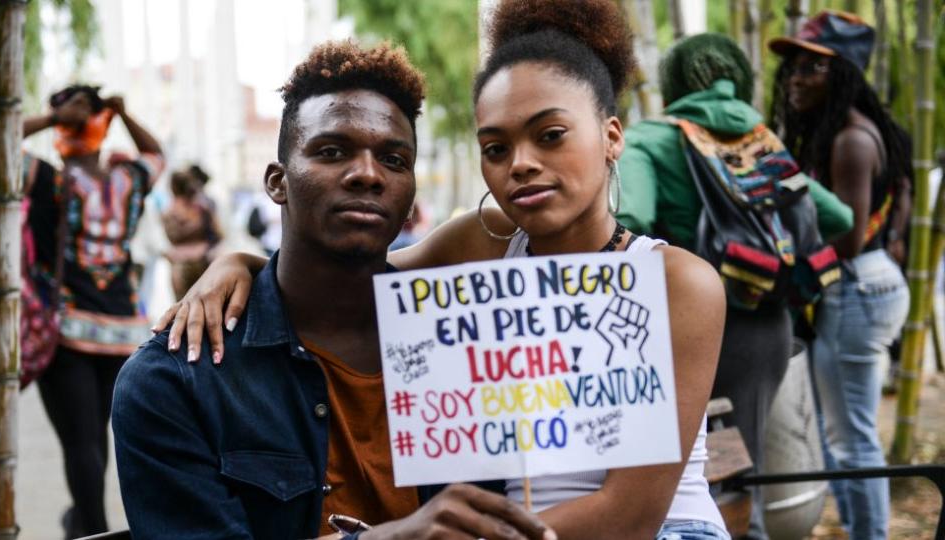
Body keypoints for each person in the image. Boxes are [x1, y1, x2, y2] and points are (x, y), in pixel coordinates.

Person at [156, 1, 729, 538]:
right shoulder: (482, 244)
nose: (522, 164)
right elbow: (352, 275)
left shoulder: (677, 282)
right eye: (496, 148)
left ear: (610, 137)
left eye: (550, 136)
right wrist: (236, 265)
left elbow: (627, 516)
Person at [112, 39, 556, 540]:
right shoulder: (173, 382)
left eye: (393, 159)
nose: (367, 174)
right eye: (332, 151)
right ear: (277, 183)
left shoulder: (471, 344)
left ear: (410, 198)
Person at [615, 33, 853, 539]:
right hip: (763, 331)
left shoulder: (651, 139)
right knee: (743, 472)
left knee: (682, 479)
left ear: (675, 80)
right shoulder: (761, 142)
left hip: (680, 331)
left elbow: (629, 218)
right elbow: (838, 215)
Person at [769, 11, 911, 540]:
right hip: (859, 287)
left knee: (853, 440)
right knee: (842, 436)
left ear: (847, 73)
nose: (799, 77)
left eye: (814, 67)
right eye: (795, 67)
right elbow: (898, 203)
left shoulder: (850, 140)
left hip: (855, 288)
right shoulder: (845, 133)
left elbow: (848, 238)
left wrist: (778, 262)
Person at [22, 85, 164, 538]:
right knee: (97, 441)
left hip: (68, 332)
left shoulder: (48, 180)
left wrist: (51, 119)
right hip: (123, 331)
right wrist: (122, 113)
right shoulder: (128, 181)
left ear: (62, 129)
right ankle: (81, 522)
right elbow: (156, 153)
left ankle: (93, 530)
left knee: (81, 443)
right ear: (102, 127)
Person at [162, 165, 222, 299]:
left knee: (181, 306)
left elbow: (168, 239)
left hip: (179, 264)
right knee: (204, 304)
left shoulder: (169, 212)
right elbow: (219, 233)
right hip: (202, 260)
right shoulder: (202, 208)